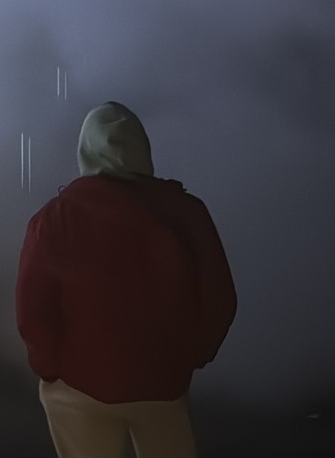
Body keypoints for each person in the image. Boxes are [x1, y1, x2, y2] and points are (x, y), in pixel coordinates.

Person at [16, 102, 237, 458]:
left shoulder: (53, 218)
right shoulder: (186, 211)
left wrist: (48, 366)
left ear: (85, 150)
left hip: (79, 385)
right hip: (164, 382)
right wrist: (191, 356)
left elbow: (33, 307)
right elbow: (219, 297)